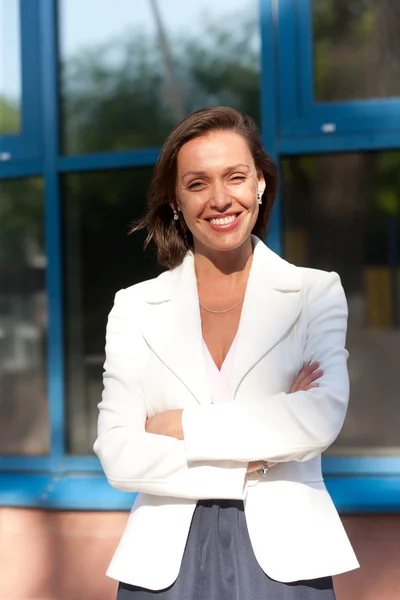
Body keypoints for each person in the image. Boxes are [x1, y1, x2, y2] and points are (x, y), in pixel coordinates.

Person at [94, 106, 359, 599]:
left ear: (259, 183)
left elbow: (318, 419)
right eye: (197, 184)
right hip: (162, 565)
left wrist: (180, 426)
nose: (220, 199)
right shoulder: (135, 308)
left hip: (287, 560)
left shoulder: (315, 293)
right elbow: (119, 455)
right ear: (175, 200)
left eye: (235, 177)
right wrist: (259, 460)